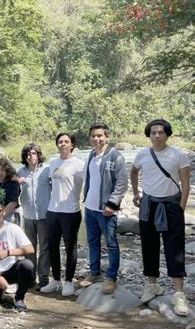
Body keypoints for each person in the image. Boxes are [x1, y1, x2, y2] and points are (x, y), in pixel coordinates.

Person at [131, 119, 190, 316]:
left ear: (167, 134)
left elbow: (185, 183)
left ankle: (179, 293)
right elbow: (133, 171)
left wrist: (180, 207)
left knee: (175, 247)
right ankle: (152, 284)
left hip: (171, 205)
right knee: (149, 245)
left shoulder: (179, 155)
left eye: (161, 132)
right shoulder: (142, 154)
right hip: (149, 205)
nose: (157, 135)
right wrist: (136, 193)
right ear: (149, 135)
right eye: (153, 132)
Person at [81, 123, 128, 294]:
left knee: (111, 244)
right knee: (93, 242)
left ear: (107, 137)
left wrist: (112, 204)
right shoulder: (91, 154)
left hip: (105, 209)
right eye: (93, 135)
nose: (96, 138)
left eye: (100, 136)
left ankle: (111, 277)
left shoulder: (116, 156)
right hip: (90, 207)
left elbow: (122, 183)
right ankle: (94, 273)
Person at [41, 133, 85, 297]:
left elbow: (92, 182)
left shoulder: (80, 164)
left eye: (66, 142)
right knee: (52, 246)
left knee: (70, 247)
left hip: (71, 211)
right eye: (60, 142)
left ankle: (68, 281)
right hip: (53, 211)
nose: (63, 144)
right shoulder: (53, 163)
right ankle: (56, 280)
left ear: (72, 145)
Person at [17, 143, 51, 289]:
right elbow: (15, 192)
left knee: (45, 248)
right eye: (28, 154)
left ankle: (43, 278)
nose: (31, 156)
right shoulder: (20, 172)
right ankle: (30, 278)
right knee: (30, 248)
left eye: (34, 153)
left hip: (45, 215)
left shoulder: (47, 170)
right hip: (28, 215)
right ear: (25, 157)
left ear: (39, 155)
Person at [0, 157, 20, 222]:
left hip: (11, 217)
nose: (0, 173)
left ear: (7, 171)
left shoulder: (12, 184)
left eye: (3, 170)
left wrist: (1, 215)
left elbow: (13, 203)